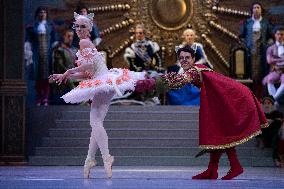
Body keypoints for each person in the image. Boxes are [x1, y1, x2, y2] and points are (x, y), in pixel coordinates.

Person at [49, 13, 145, 179]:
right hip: (103, 84)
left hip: (102, 84)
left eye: (83, 27)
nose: (79, 30)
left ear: (89, 29)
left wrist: (68, 71)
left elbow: (89, 65)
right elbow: (87, 74)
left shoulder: (84, 42)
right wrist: (64, 76)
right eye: (77, 26)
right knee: (96, 123)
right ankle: (90, 159)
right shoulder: (86, 44)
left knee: (95, 122)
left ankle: (107, 157)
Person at [160, 46, 267, 179]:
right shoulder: (197, 68)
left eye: (187, 57)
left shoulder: (193, 71)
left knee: (223, 131)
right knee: (218, 132)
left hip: (234, 97)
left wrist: (154, 83)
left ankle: (233, 167)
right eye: (181, 58)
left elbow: (180, 81)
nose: (184, 60)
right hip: (224, 98)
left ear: (193, 59)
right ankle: (213, 170)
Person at [167, 29, 211, 105]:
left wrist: (193, 65)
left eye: (191, 35)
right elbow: (179, 60)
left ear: (194, 37)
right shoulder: (180, 47)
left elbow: (204, 59)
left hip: (197, 66)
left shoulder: (198, 46)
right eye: (187, 35)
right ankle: (178, 98)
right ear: (184, 37)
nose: (189, 37)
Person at [239, 2, 273, 99]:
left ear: (261, 10)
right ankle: (250, 96)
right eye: (254, 7)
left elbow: (271, 36)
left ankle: (263, 97)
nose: (256, 9)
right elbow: (242, 36)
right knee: (250, 73)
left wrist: (268, 44)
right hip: (250, 52)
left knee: (262, 73)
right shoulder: (247, 22)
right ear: (252, 10)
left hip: (262, 52)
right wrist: (245, 45)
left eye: (258, 7)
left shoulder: (265, 23)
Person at [25, 6, 57, 106]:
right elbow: (28, 41)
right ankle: (39, 97)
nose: (42, 14)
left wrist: (54, 52)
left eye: (44, 12)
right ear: (37, 14)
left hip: (48, 55)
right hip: (36, 55)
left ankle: (46, 98)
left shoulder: (50, 26)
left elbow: (55, 41)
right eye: (40, 12)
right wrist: (29, 54)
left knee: (47, 77)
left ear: (46, 14)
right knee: (38, 77)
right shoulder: (32, 27)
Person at [51, 29, 77, 104]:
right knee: (69, 78)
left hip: (74, 73)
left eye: (72, 36)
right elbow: (60, 65)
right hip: (63, 74)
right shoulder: (59, 50)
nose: (70, 38)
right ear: (64, 37)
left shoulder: (74, 49)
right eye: (68, 36)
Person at [262, 26, 284, 104]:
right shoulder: (270, 48)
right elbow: (269, 61)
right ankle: (275, 103)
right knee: (270, 80)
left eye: (282, 34)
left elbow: (273, 60)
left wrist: (276, 60)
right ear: (275, 35)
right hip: (275, 70)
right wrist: (281, 60)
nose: (280, 36)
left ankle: (273, 100)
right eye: (278, 34)